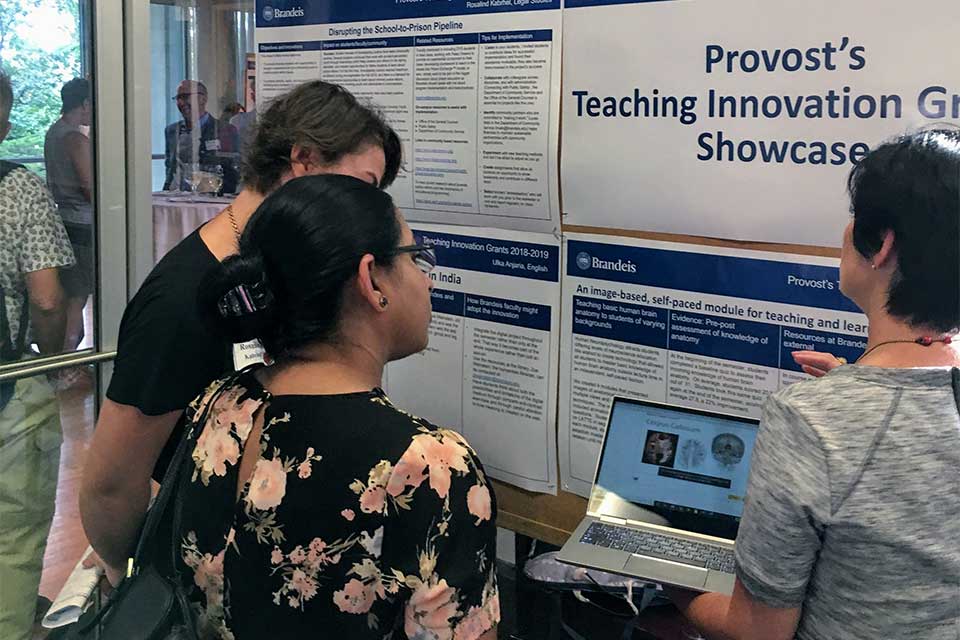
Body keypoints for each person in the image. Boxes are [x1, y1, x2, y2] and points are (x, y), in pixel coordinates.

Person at [80, 81, 402, 588]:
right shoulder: (181, 301)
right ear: (302, 159)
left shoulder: (285, 275)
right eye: (361, 184)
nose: (366, 207)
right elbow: (111, 483)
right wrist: (137, 573)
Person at [172, 174, 498, 639]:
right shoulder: (430, 467)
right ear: (372, 280)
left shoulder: (221, 404)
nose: (426, 280)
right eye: (415, 258)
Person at [670, 128, 960, 639]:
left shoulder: (811, 419)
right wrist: (855, 393)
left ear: (882, 244)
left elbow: (758, 632)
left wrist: (668, 584)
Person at [0, 70, 76, 640]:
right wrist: (48, 364)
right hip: (6, 381)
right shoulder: (15, 188)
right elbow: (47, 298)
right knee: (15, 531)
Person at [44, 77, 94, 351]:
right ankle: (67, 360)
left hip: (63, 219)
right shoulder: (74, 137)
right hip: (83, 224)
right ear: (85, 103)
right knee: (78, 295)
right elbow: (90, 188)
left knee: (72, 291)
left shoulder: (53, 132)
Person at [162, 79, 236, 192]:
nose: (181, 103)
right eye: (178, 98)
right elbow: (170, 167)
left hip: (208, 200)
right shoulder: (171, 131)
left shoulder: (224, 130)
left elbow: (232, 170)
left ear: (203, 99)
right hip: (174, 199)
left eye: (185, 96)